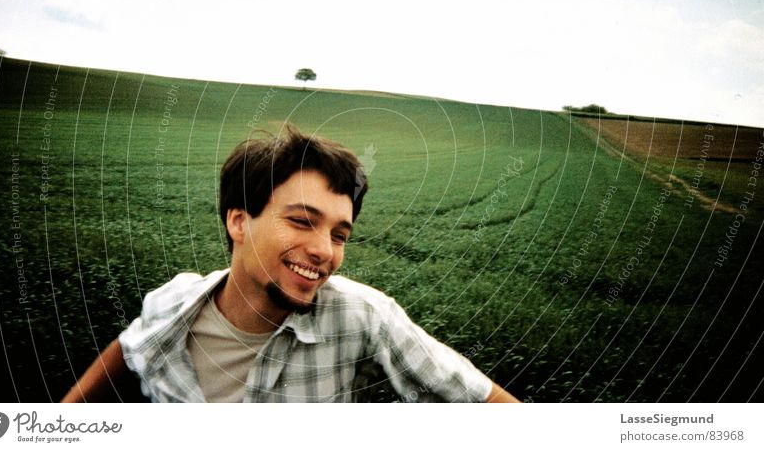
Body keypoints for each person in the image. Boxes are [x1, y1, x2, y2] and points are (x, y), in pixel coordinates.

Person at [61, 124, 519, 403]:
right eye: (302, 221)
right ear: (240, 221)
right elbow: (127, 350)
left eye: (340, 234)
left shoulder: (361, 318)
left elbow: (476, 398)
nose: (325, 250)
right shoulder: (173, 304)